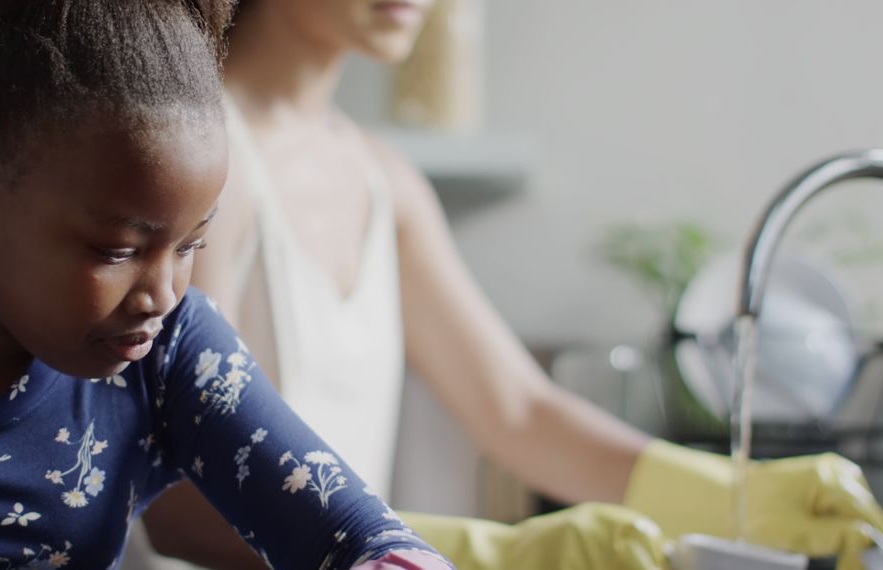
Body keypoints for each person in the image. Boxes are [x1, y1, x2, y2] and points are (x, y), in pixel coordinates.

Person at [123, 0, 883, 568]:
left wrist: (735, 496)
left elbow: (519, 412)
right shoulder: (202, 161)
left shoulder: (383, 180)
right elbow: (183, 503)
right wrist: (496, 552)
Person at [0, 1, 457, 568]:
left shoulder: (168, 355)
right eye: (119, 249)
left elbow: (352, 537)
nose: (162, 294)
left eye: (190, 245)